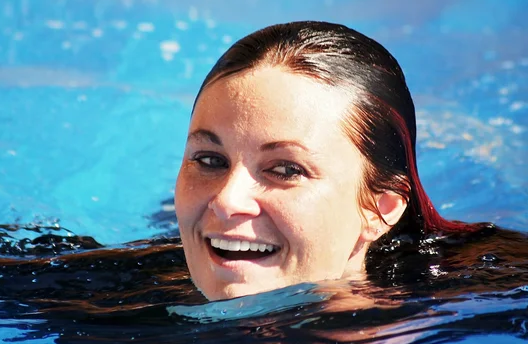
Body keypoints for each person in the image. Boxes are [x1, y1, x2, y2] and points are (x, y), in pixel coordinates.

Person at [174, 21, 483, 301]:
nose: (226, 201)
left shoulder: (482, 329)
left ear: (380, 209)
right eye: (210, 160)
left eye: (286, 169)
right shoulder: (130, 312)